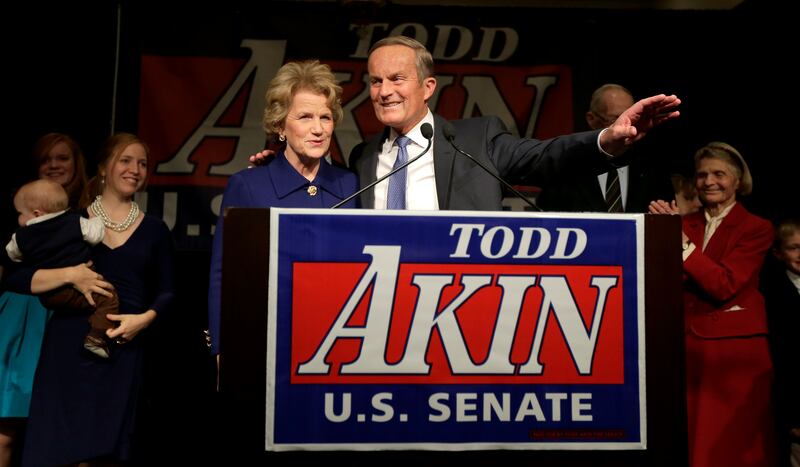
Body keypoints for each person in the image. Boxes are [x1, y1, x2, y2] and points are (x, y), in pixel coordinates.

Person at [344, 36, 679, 210]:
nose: (384, 91)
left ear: (428, 87)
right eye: (376, 81)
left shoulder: (475, 140)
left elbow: (545, 156)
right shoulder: (364, 156)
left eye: (397, 79)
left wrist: (606, 139)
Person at [5, 133, 175, 466]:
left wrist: (144, 319)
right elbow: (14, 276)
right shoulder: (71, 221)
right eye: (125, 160)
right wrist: (70, 275)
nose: (135, 169)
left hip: (122, 349)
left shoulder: (155, 229)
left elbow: (168, 290)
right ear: (103, 167)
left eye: (142, 163)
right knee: (61, 450)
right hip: (68, 347)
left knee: (106, 452)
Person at [208, 60, 358, 363]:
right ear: (279, 126)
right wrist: (223, 346)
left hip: (338, 340)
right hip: (266, 338)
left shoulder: (350, 184)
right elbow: (224, 274)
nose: (318, 129)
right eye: (305, 117)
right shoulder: (248, 185)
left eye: (325, 117)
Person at [649, 142, 776, 467]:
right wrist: (662, 231)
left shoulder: (757, 228)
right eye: (702, 175)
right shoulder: (682, 222)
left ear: (738, 180)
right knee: (693, 446)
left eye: (719, 174)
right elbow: (664, 279)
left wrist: (680, 244)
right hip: (684, 349)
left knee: (732, 448)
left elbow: (724, 284)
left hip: (734, 354)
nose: (709, 182)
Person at [0, 133, 90, 467]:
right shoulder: (21, 209)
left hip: (68, 318)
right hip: (21, 318)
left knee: (63, 425)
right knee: (7, 424)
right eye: (45, 159)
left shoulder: (87, 213)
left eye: (62, 158)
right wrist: (69, 274)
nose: (54, 165)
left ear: (76, 163)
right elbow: (9, 273)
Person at [5, 179, 120, 359]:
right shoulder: (75, 222)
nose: (18, 218)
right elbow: (96, 235)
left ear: (36, 214)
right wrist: (98, 219)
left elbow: (12, 255)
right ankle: (97, 338)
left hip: (48, 295)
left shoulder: (20, 236)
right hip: (74, 291)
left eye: (19, 213)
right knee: (109, 298)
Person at [535, 83, 675, 213]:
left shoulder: (653, 169)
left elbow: (668, 218)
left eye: (633, 119)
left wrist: (668, 219)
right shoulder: (566, 170)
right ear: (591, 119)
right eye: (616, 120)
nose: (627, 128)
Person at [761, 218, 800, 467]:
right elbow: (784, 362)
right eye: (794, 248)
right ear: (778, 253)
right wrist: (792, 418)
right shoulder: (773, 295)